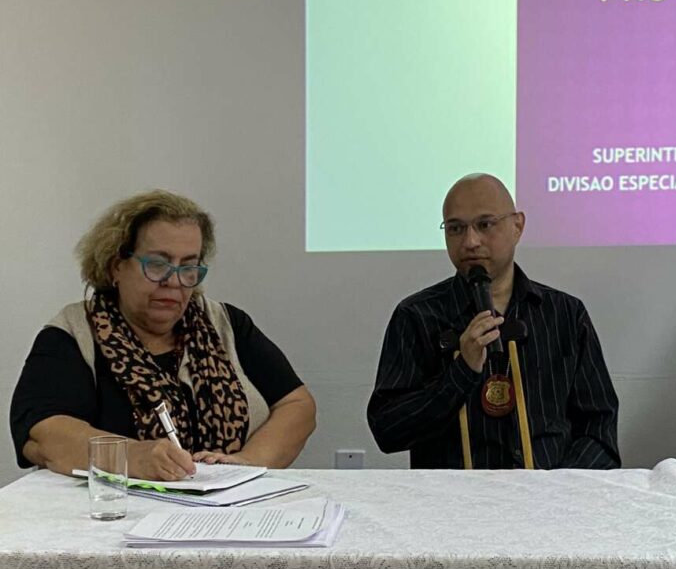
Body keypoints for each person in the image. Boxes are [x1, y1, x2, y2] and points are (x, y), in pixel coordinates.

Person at [10, 190, 316, 480]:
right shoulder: (74, 334)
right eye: (158, 265)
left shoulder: (224, 323)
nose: (175, 281)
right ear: (116, 266)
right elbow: (43, 434)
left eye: (188, 267)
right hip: (116, 509)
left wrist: (247, 463)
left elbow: (297, 405)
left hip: (230, 506)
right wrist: (133, 457)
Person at [367, 174, 620, 469]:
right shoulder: (416, 316)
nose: (470, 242)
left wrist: (558, 487)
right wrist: (461, 372)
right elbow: (387, 431)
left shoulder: (565, 313)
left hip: (550, 491)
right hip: (453, 495)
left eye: (485, 225)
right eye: (456, 228)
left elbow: (599, 431)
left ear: (517, 226)